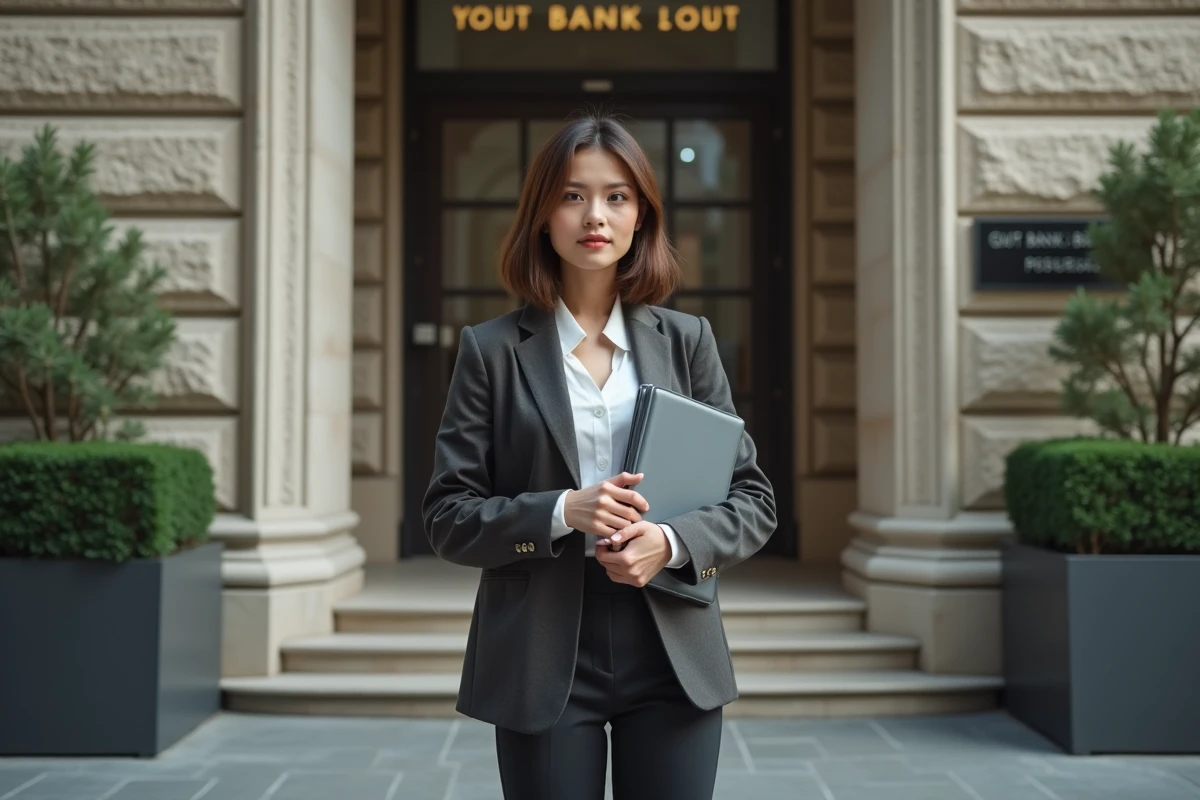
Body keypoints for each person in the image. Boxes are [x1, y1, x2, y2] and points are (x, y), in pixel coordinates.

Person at [422, 111, 777, 800]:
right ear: (543, 216)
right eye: (572, 194)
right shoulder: (490, 352)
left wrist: (671, 541)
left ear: (641, 216)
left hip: (671, 641)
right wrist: (562, 510)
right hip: (541, 646)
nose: (596, 215)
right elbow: (447, 515)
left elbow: (752, 498)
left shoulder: (688, 341)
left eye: (617, 196)